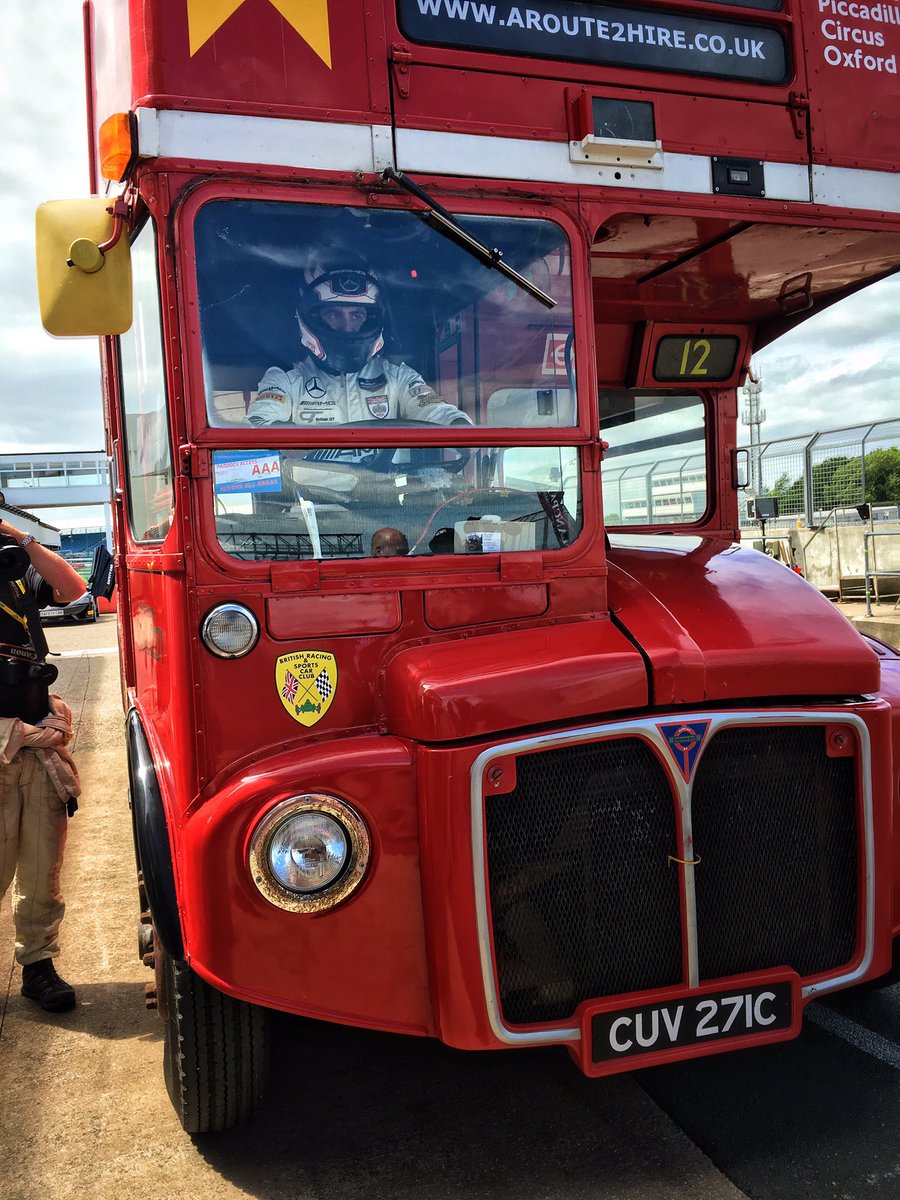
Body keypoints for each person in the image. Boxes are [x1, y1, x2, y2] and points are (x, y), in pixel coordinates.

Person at [0, 517, 86, 1013]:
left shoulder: (16, 569)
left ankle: (37, 966)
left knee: (40, 868)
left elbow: (74, 589)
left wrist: (24, 541)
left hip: (36, 745)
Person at [247, 256, 473, 429]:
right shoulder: (285, 378)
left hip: (384, 490)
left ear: (371, 319)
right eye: (334, 314)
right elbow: (258, 421)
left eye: (357, 315)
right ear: (313, 318)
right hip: (302, 491)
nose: (348, 327)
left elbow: (436, 411)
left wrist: (460, 427)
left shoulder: (397, 378)